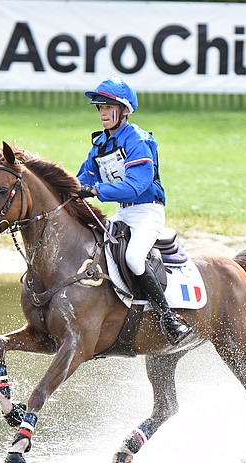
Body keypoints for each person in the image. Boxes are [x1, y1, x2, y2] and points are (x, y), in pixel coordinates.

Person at [75, 76, 193, 345]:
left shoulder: (137, 140)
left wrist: (96, 192)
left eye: (108, 107)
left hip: (147, 212)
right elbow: (84, 178)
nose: (103, 113)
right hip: (123, 213)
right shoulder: (101, 144)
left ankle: (168, 318)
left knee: (133, 258)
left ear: (123, 110)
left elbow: (137, 185)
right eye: (100, 108)